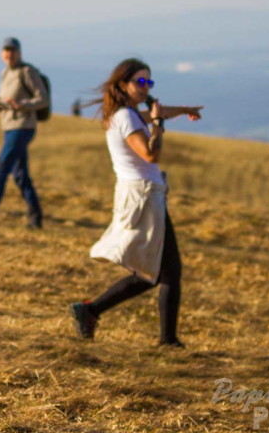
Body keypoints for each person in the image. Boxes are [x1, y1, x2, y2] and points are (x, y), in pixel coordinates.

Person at [69, 58, 202, 347]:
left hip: (143, 194)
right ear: (123, 84)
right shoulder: (126, 117)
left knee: (159, 272)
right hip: (143, 196)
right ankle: (96, 312)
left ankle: (94, 312)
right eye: (140, 82)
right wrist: (158, 124)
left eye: (149, 82)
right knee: (161, 272)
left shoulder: (124, 113)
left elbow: (154, 112)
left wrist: (182, 111)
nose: (146, 87)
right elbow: (150, 154)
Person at [0, 37, 49, 229]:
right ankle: (36, 218)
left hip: (23, 127)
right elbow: (7, 101)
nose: (9, 54)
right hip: (9, 127)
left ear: (19, 52)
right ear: (2, 54)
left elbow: (42, 99)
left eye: (12, 50)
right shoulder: (4, 73)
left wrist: (23, 105)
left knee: (1, 169)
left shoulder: (27, 72)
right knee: (20, 175)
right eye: (6, 51)